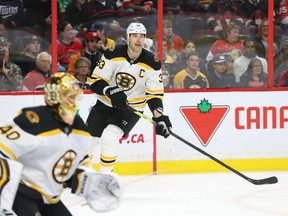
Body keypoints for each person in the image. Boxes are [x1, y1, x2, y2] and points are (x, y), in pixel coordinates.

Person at [0, 72, 122, 215]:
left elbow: (76, 165)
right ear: (54, 97)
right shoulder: (35, 120)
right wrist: (4, 201)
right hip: (21, 193)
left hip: (49, 197)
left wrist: (90, 183)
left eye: (74, 96)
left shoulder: (79, 128)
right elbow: (3, 149)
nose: (72, 101)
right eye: (67, 96)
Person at [86, 22, 172, 172]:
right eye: (134, 36)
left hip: (131, 108)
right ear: (127, 38)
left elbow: (154, 95)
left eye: (141, 36)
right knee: (89, 140)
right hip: (105, 102)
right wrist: (109, 91)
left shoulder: (152, 62)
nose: (138, 40)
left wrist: (159, 116)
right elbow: (95, 82)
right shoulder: (112, 53)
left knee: (110, 136)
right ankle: (80, 174)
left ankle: (105, 177)